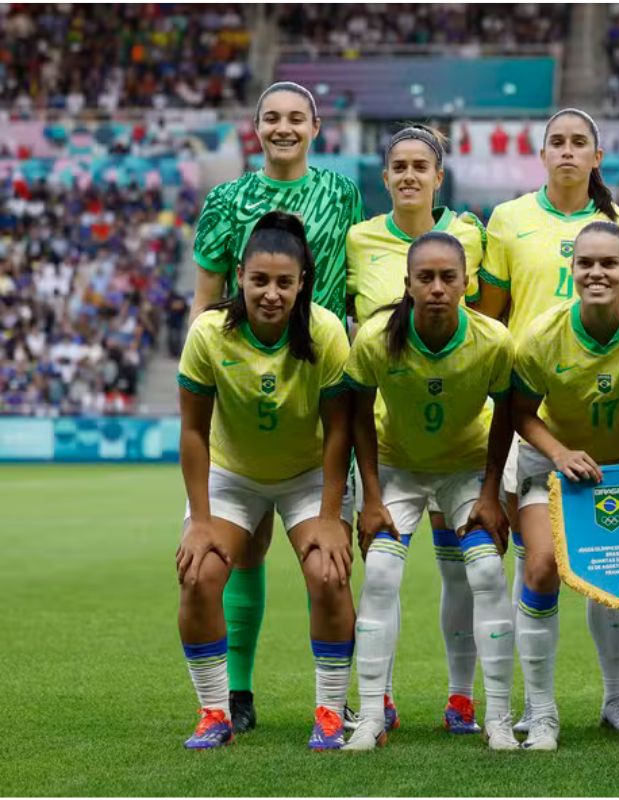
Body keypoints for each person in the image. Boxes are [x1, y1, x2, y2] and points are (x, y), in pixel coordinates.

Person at [188, 81, 364, 734]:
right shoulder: (227, 200)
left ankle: (345, 693)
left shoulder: (341, 193)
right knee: (248, 545)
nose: (284, 127)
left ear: (316, 126)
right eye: (272, 118)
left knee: (330, 552)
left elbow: (352, 282)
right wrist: (222, 377)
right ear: (255, 127)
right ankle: (236, 691)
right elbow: (207, 299)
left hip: (318, 377)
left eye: (296, 117)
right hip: (245, 383)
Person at [475, 108, 619, 735]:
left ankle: (618, 699)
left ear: (597, 156)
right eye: (558, 142)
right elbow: (492, 321)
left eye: (580, 143)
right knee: (539, 566)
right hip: (536, 420)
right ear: (542, 154)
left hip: (611, 425)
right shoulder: (509, 220)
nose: (569, 152)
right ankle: (539, 705)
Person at [175, 212, 355, 750]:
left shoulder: (325, 332)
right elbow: (192, 431)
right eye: (259, 281)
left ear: (303, 282)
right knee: (198, 574)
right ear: (239, 277)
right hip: (236, 476)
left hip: (306, 477)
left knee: (329, 573)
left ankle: (328, 711)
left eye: (284, 282)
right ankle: (214, 713)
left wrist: (329, 516)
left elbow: (339, 430)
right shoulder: (208, 333)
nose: (271, 294)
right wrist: (201, 520)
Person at [509, 221, 619, 751]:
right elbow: (518, 413)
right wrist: (561, 455)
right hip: (551, 466)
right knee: (541, 567)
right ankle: (540, 712)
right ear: (573, 271)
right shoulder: (543, 335)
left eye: (609, 264)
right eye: (586, 263)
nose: (597, 273)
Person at [341, 232, 517, 751]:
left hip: (465, 469)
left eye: (448, 277)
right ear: (408, 284)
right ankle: (372, 715)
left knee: (485, 571)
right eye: (426, 278)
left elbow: (506, 416)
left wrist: (491, 493)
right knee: (379, 571)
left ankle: (499, 718)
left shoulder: (492, 341)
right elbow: (358, 419)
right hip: (397, 468)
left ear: (467, 283)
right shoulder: (375, 339)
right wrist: (371, 498)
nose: (437, 287)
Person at [345, 124, 488, 734]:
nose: (408, 175)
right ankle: (379, 699)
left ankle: (461, 697)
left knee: (462, 568)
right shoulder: (359, 238)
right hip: (389, 432)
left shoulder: (469, 235)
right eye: (397, 166)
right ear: (384, 178)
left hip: (459, 430)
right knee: (382, 570)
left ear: (438, 175)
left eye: (419, 166)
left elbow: (486, 320)